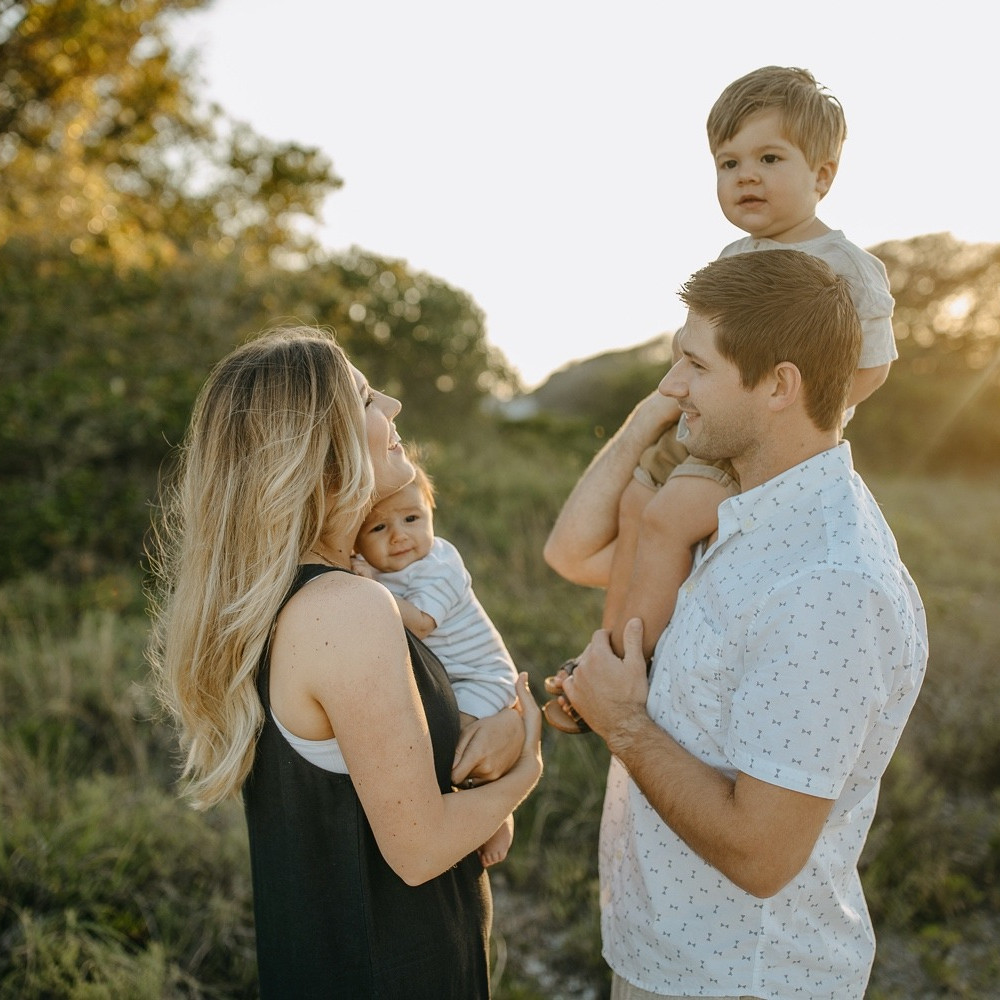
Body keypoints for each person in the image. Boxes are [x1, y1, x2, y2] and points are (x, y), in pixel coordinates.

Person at [543, 250, 928, 1000]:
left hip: (740, 980)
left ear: (779, 385)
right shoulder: (741, 515)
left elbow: (761, 854)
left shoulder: (829, 585)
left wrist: (623, 724)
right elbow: (577, 555)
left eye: (695, 366)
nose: (674, 386)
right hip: (671, 959)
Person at [148, 326, 543, 999]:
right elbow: (418, 849)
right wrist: (524, 772)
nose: (390, 405)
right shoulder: (346, 610)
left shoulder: (298, 598)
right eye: (363, 397)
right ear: (320, 448)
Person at [543, 66, 897, 734]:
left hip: (763, 439)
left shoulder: (844, 265)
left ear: (822, 176)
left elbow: (873, 367)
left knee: (672, 514)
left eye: (769, 158)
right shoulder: (736, 255)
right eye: (728, 162)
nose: (745, 176)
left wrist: (792, 416)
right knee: (636, 501)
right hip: (704, 425)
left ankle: (631, 665)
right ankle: (608, 647)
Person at [353, 459, 519, 866]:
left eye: (411, 518)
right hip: (453, 678)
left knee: (455, 739)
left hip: (482, 677)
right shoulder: (379, 570)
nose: (399, 536)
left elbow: (423, 623)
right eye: (379, 528)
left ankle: (498, 811)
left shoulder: (440, 565)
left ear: (431, 514)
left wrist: (371, 588)